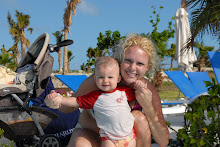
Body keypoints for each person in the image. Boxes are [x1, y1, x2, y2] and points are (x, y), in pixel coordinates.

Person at [47, 34, 169, 147]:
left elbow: (163, 142)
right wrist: (57, 102)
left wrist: (148, 108)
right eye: (128, 61)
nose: (132, 68)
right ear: (120, 60)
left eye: (140, 63)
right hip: (93, 135)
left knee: (139, 118)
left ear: (147, 67)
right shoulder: (101, 81)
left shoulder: (146, 90)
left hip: (127, 139)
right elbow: (70, 107)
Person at [45, 56, 149, 147]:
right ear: (95, 79)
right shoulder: (95, 97)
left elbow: (137, 98)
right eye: (101, 77)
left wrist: (140, 86)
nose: (105, 80)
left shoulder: (124, 92)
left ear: (118, 79)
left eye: (110, 77)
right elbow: (76, 101)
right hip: (109, 139)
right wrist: (60, 99)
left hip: (128, 136)